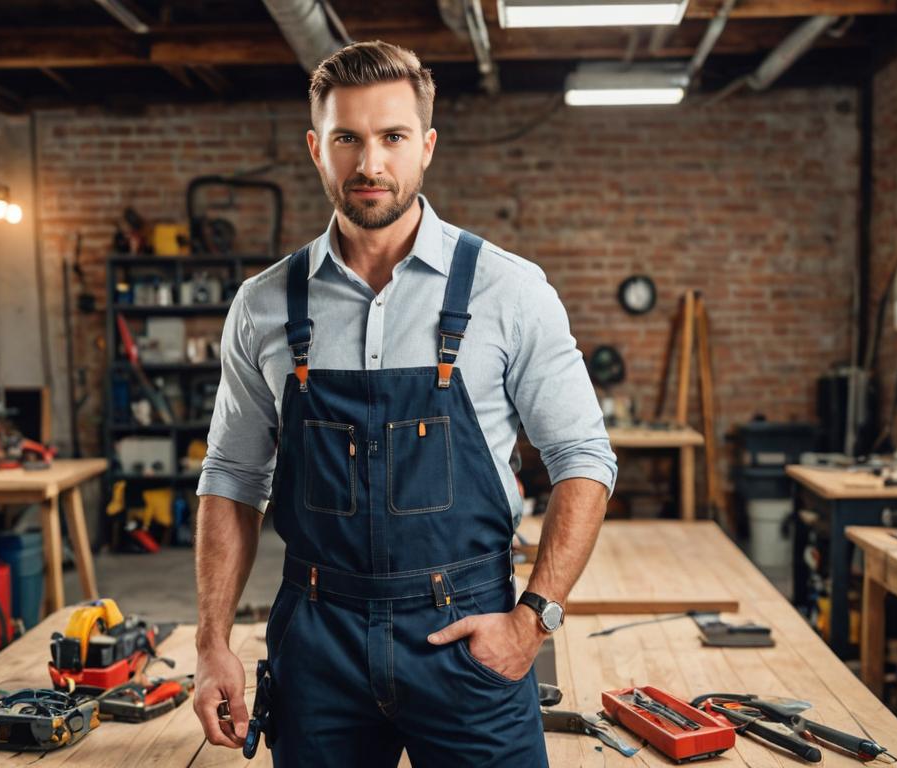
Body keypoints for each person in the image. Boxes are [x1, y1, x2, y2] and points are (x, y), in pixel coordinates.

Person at [193, 40, 617, 767]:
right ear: (315, 148)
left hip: (468, 637)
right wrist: (211, 644)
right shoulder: (263, 305)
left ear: (426, 144)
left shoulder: (509, 292)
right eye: (346, 139)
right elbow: (232, 476)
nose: (370, 164)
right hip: (317, 645)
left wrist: (533, 621)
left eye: (391, 137)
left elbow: (583, 457)